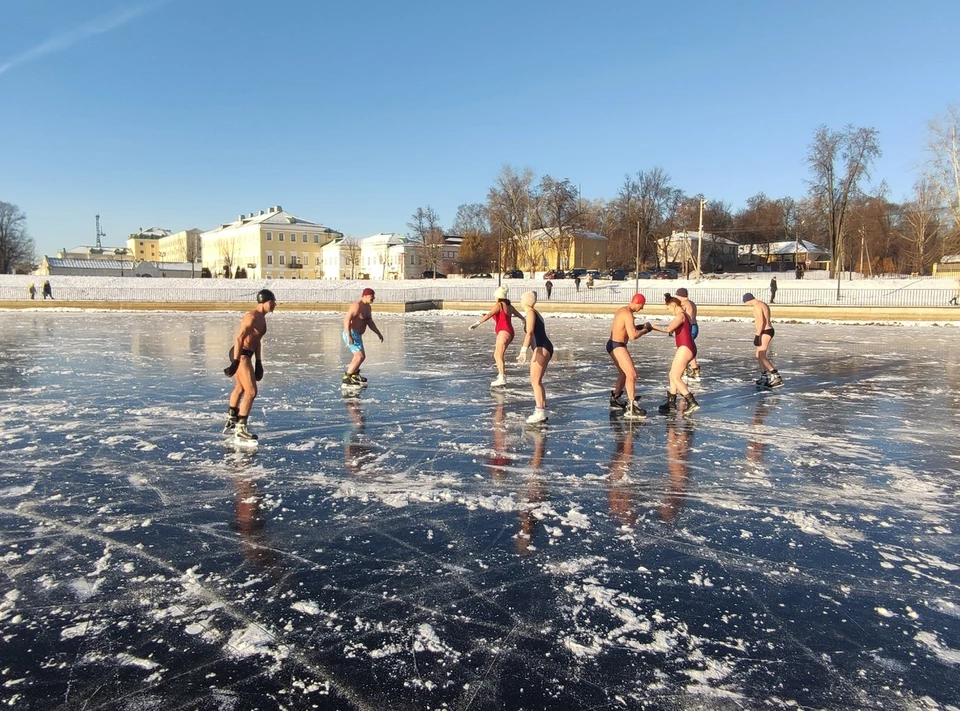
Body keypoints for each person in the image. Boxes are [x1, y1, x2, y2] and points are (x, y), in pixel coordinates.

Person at [223, 289, 277, 440]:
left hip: (249, 354)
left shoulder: (262, 318)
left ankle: (231, 418)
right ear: (265, 302)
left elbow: (257, 340)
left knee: (240, 387)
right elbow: (239, 338)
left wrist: (259, 362)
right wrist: (235, 362)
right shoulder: (251, 317)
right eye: (272, 303)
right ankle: (240, 428)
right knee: (252, 392)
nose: (274, 305)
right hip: (241, 354)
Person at [650, 296, 700, 415]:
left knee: (676, 376)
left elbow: (668, 329)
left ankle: (691, 402)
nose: (670, 311)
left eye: (669, 309)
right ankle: (671, 403)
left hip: (685, 347)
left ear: (673, 305)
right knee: (672, 374)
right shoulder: (684, 315)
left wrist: (654, 327)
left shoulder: (680, 315)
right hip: (687, 347)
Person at [606, 293, 653, 419]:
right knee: (632, 374)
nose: (642, 308)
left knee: (623, 373)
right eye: (642, 306)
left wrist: (641, 326)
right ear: (637, 302)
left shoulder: (622, 310)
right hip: (618, 346)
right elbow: (632, 336)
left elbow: (626, 328)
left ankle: (615, 398)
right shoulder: (628, 314)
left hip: (612, 344)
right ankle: (632, 406)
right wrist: (645, 330)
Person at [469, 285, 524, 387]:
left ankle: (502, 377)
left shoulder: (499, 305)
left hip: (503, 332)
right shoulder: (509, 306)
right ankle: (501, 375)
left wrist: (477, 323)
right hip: (509, 332)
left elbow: (489, 315)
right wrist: (523, 320)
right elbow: (518, 314)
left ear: (498, 296)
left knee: (499, 355)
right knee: (497, 354)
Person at [517, 291, 553, 424]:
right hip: (543, 347)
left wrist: (523, 350)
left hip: (541, 348)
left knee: (535, 381)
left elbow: (530, 333)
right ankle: (543, 409)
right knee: (537, 380)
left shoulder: (531, 313)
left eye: (521, 299)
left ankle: (539, 411)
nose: (520, 302)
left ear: (526, 301)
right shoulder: (534, 313)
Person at [342, 288, 384, 386]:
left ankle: (354, 375)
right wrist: (349, 335)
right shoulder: (356, 306)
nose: (373, 298)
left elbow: (370, 322)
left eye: (374, 296)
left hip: (358, 335)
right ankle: (347, 377)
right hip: (351, 333)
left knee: (360, 357)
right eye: (371, 296)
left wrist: (378, 333)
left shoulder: (368, 308)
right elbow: (346, 320)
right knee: (359, 356)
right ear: (364, 296)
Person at [742, 292, 782, 387]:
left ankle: (776, 375)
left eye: (745, 302)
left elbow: (761, 322)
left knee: (762, 355)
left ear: (749, 300)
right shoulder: (763, 304)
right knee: (758, 354)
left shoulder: (757, 306)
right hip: (766, 331)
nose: (746, 305)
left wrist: (757, 335)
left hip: (765, 331)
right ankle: (764, 376)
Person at [674, 287, 701, 381]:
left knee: (685, 349)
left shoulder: (684, 304)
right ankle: (694, 368)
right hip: (695, 326)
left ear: (680, 295)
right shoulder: (692, 303)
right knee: (689, 347)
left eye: (677, 295)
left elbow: (680, 316)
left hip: (689, 327)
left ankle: (687, 368)